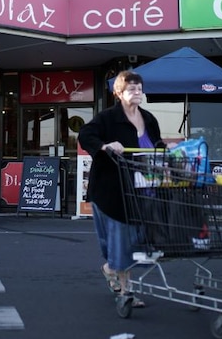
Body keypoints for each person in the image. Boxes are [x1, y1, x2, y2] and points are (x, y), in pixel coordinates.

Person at [77, 70, 162, 308]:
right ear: (119, 93)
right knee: (121, 241)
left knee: (137, 240)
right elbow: (85, 135)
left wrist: (167, 150)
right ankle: (127, 292)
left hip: (141, 189)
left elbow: (155, 145)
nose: (137, 93)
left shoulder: (149, 119)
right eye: (131, 89)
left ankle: (110, 267)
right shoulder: (107, 118)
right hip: (111, 191)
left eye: (139, 88)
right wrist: (105, 146)